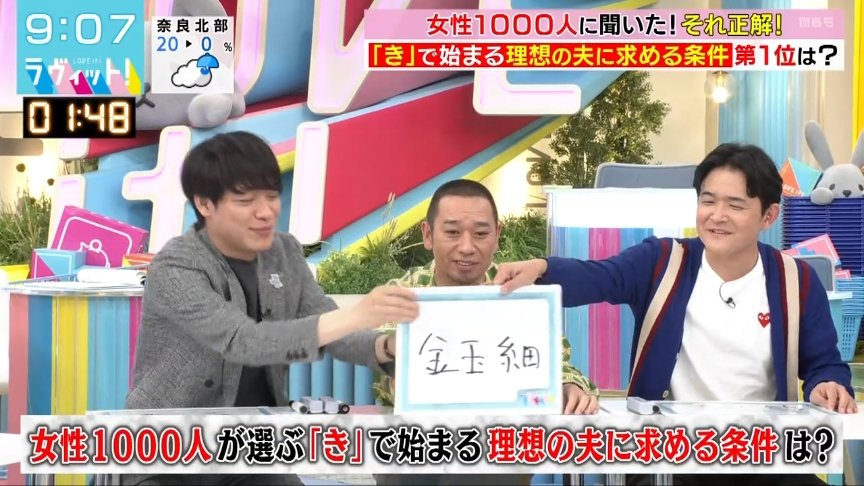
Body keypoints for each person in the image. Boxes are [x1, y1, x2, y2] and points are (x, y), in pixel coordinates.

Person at [492, 144, 856, 486]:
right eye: (708, 201)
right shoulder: (662, 261)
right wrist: (542, 269)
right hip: (668, 455)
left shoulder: (795, 279)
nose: (717, 216)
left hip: (762, 454)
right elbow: (599, 277)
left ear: (768, 216)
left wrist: (827, 384)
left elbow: (824, 362)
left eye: (735, 205)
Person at [124, 131, 418, 485]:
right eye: (245, 200)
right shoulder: (176, 264)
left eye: (271, 196)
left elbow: (325, 322)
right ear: (205, 204)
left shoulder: (284, 252)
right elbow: (243, 341)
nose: (265, 212)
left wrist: (384, 346)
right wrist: (357, 314)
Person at [374, 179, 599, 486]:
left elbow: (555, 361)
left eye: (480, 234)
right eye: (452, 232)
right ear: (428, 235)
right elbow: (386, 369)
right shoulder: (401, 294)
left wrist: (568, 385)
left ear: (497, 236)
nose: (467, 247)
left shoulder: (522, 296)